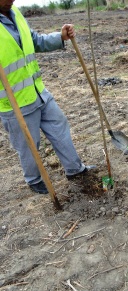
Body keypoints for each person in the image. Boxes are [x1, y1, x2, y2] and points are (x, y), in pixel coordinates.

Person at [0, 0, 96, 195]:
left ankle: (75, 169)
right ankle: (34, 180)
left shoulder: (15, 13)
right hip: (14, 103)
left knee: (59, 126)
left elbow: (34, 40)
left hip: (37, 92)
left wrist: (59, 37)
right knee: (29, 145)